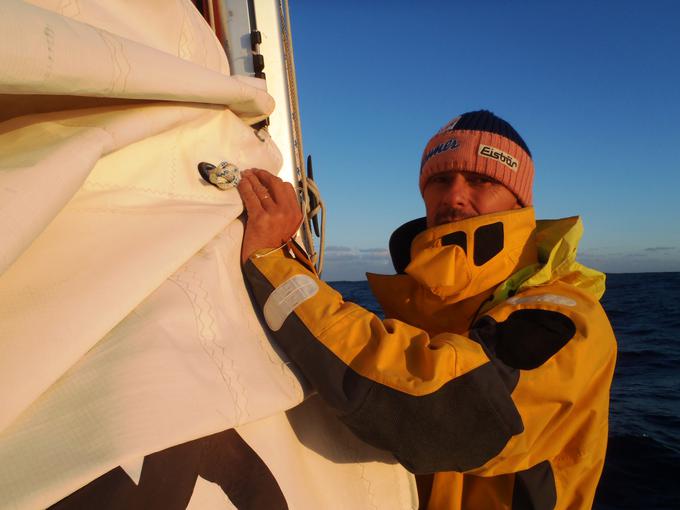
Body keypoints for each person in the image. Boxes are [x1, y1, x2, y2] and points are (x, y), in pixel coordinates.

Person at [238, 110, 617, 509]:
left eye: (481, 180)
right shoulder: (418, 309)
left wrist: (273, 266)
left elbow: (444, 413)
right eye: (440, 179)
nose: (453, 196)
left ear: (519, 200)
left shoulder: (567, 318)